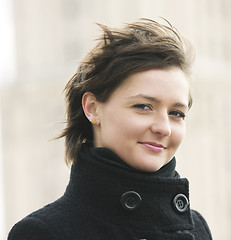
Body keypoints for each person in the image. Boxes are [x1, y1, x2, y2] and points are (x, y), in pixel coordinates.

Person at [8, 18, 212, 240]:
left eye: (176, 113)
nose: (164, 128)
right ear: (93, 108)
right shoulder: (42, 232)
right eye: (143, 107)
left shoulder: (197, 228)